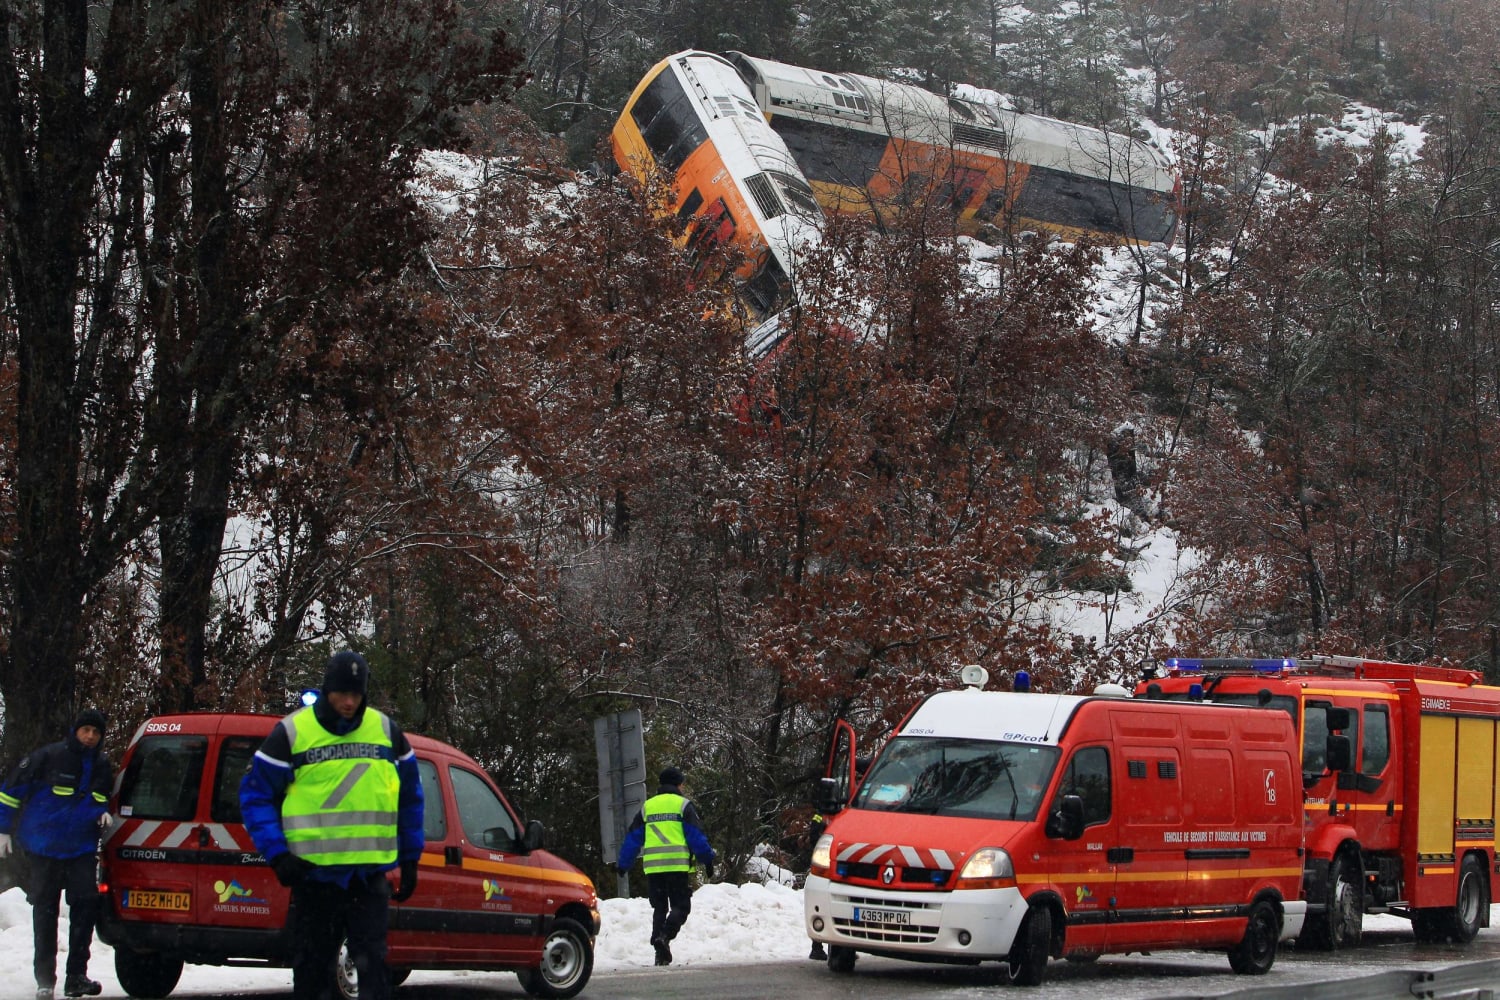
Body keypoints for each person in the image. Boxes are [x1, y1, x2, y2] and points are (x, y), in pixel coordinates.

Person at [240, 650, 424, 1000]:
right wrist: (278, 855)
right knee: (313, 973)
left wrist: (411, 857)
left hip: (367, 880)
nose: (349, 702)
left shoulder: (386, 732)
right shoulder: (293, 732)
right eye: (342, 693)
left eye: (356, 694)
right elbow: (255, 795)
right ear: (327, 690)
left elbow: (411, 797)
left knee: (374, 972)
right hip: (314, 879)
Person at [0, 708, 113, 1000]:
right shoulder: (48, 757)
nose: (90, 737)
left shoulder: (102, 765)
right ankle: (44, 979)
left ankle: (76, 976)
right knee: (45, 911)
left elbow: (101, 798)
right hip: (44, 848)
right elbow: (11, 791)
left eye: (96, 732)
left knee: (86, 906)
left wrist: (102, 813)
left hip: (81, 850)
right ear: (75, 730)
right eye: (85, 730)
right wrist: (3, 828)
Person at [616, 765, 715, 966]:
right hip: (676, 866)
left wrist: (623, 864)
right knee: (681, 906)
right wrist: (708, 859)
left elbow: (634, 838)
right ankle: (664, 937)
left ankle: (659, 952)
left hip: (654, 869)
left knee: (660, 907)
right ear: (678, 784)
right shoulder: (683, 806)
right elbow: (695, 837)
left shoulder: (648, 807)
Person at [805, 809, 828, 961]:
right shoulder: (822, 815)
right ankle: (817, 947)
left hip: (824, 861)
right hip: (825, 862)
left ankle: (820, 947)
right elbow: (813, 836)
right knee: (821, 904)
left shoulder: (821, 814)